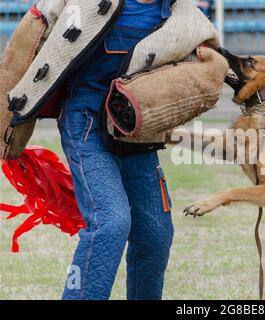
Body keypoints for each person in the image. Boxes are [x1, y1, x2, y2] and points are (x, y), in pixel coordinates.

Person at [1, 0, 219, 300]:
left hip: (136, 129)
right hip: (84, 121)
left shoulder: (187, 18)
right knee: (110, 223)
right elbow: (32, 37)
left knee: (155, 234)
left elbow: (214, 67)